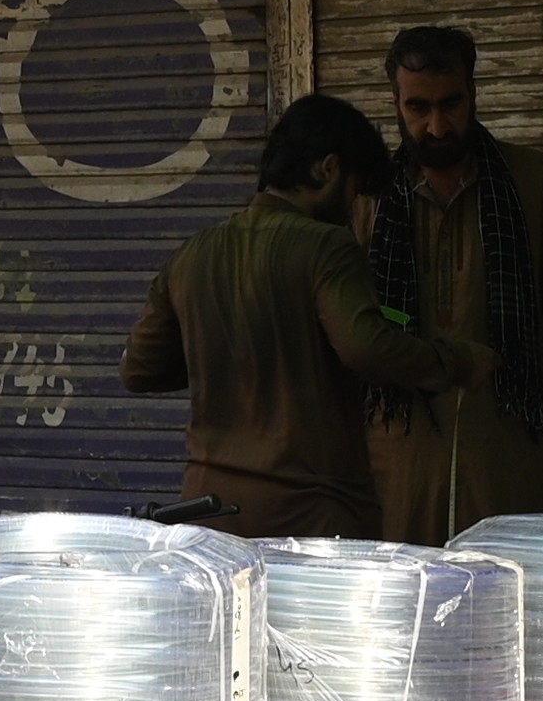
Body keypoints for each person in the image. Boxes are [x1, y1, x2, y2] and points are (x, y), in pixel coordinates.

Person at [117, 93, 482, 536]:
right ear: (327, 169)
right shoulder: (327, 247)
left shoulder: (192, 254)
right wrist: (459, 361)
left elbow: (139, 370)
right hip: (311, 517)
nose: (352, 210)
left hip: (207, 514)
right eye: (352, 191)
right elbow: (367, 349)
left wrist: (226, 352)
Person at [367, 25, 543, 543]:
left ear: (474, 94)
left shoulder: (535, 183)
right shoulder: (368, 199)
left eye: (451, 104)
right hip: (399, 467)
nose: (435, 126)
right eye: (417, 108)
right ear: (396, 104)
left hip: (514, 458)